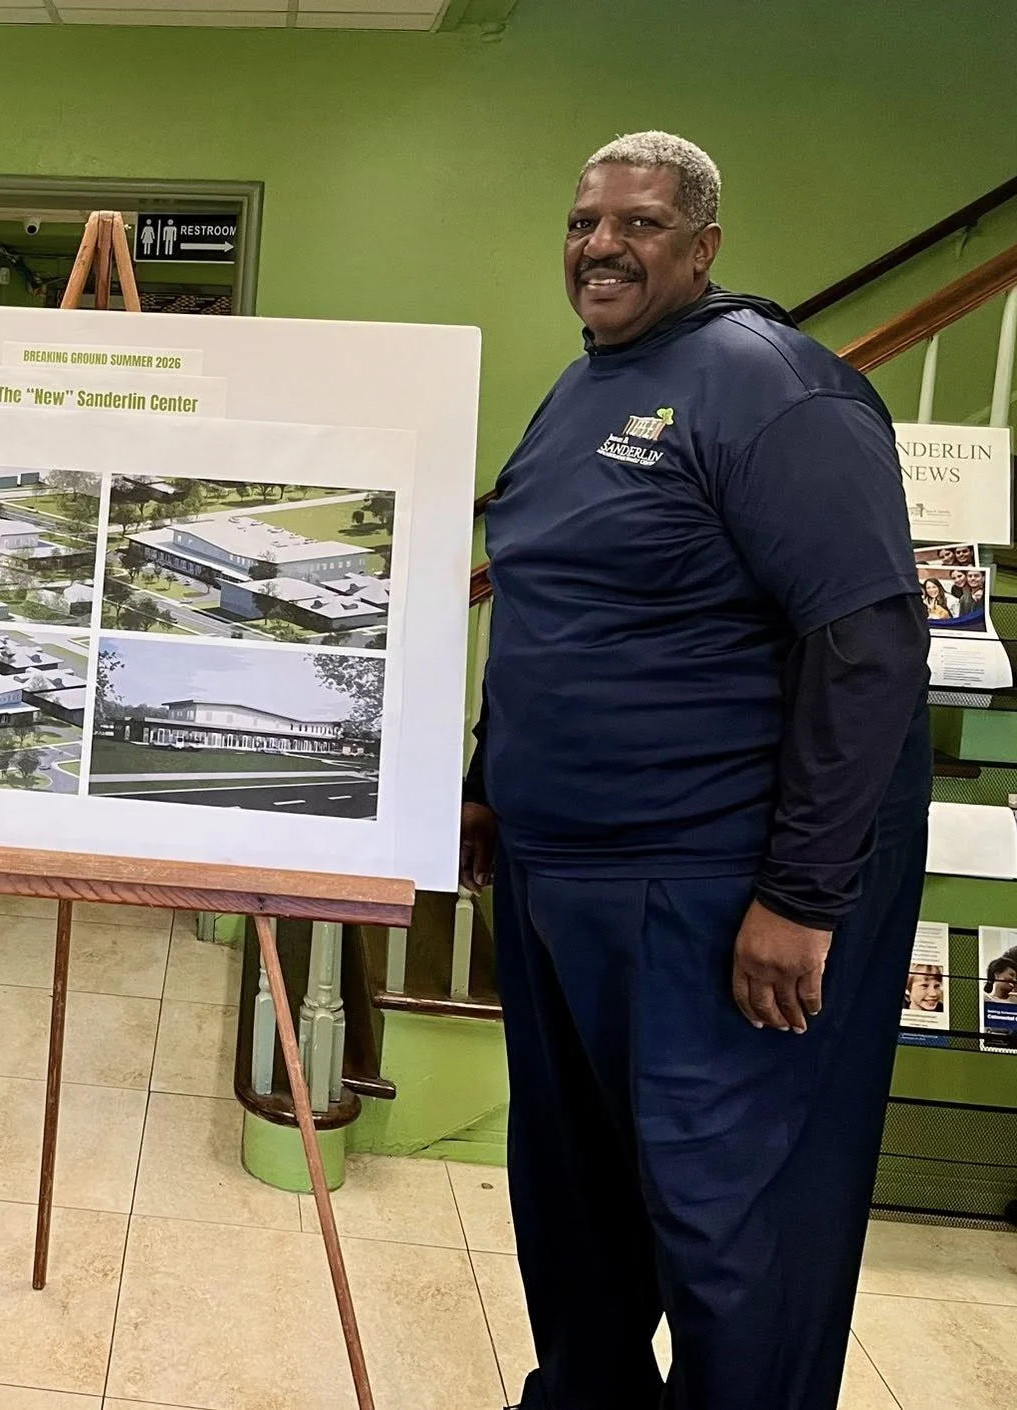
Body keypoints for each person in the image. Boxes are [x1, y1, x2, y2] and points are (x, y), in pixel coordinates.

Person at [460, 132, 930, 1410]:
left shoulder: (773, 391)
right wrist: (487, 781)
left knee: (729, 1228)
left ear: (703, 246)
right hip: (559, 883)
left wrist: (800, 897)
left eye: (639, 223)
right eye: (582, 221)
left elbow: (868, 648)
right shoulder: (580, 388)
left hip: (707, 896)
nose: (600, 245)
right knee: (573, 1208)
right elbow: (545, 610)